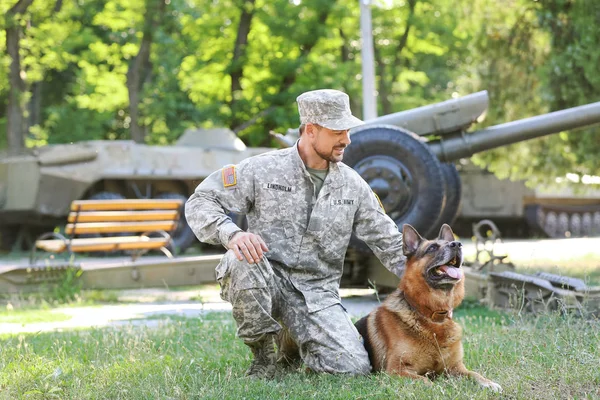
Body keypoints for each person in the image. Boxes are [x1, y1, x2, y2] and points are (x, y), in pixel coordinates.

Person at [185, 89, 405, 379]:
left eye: (348, 130)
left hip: (317, 295)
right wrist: (232, 234)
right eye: (338, 131)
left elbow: (388, 240)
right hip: (267, 280)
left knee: (352, 369)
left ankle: (292, 345)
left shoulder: (353, 185)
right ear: (311, 130)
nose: (347, 140)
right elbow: (200, 201)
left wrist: (431, 274)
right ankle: (265, 357)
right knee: (240, 261)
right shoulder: (262, 169)